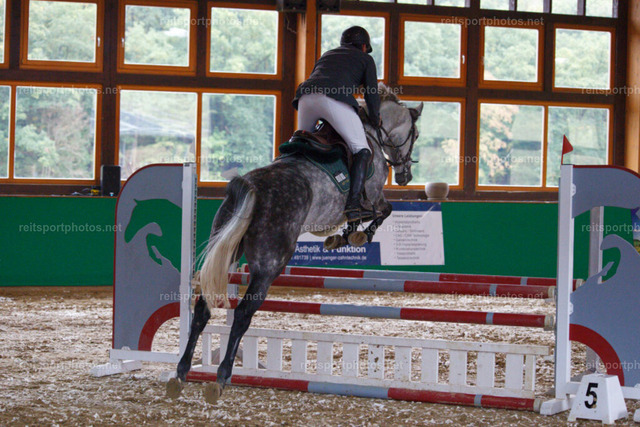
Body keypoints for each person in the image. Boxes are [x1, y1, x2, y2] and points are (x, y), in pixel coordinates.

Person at [292, 26, 380, 223]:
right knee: (362, 150)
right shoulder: (366, 59)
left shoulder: (328, 54)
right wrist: (375, 118)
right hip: (332, 99)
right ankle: (354, 205)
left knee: (300, 142)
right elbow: (371, 93)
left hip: (305, 97)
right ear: (364, 46)